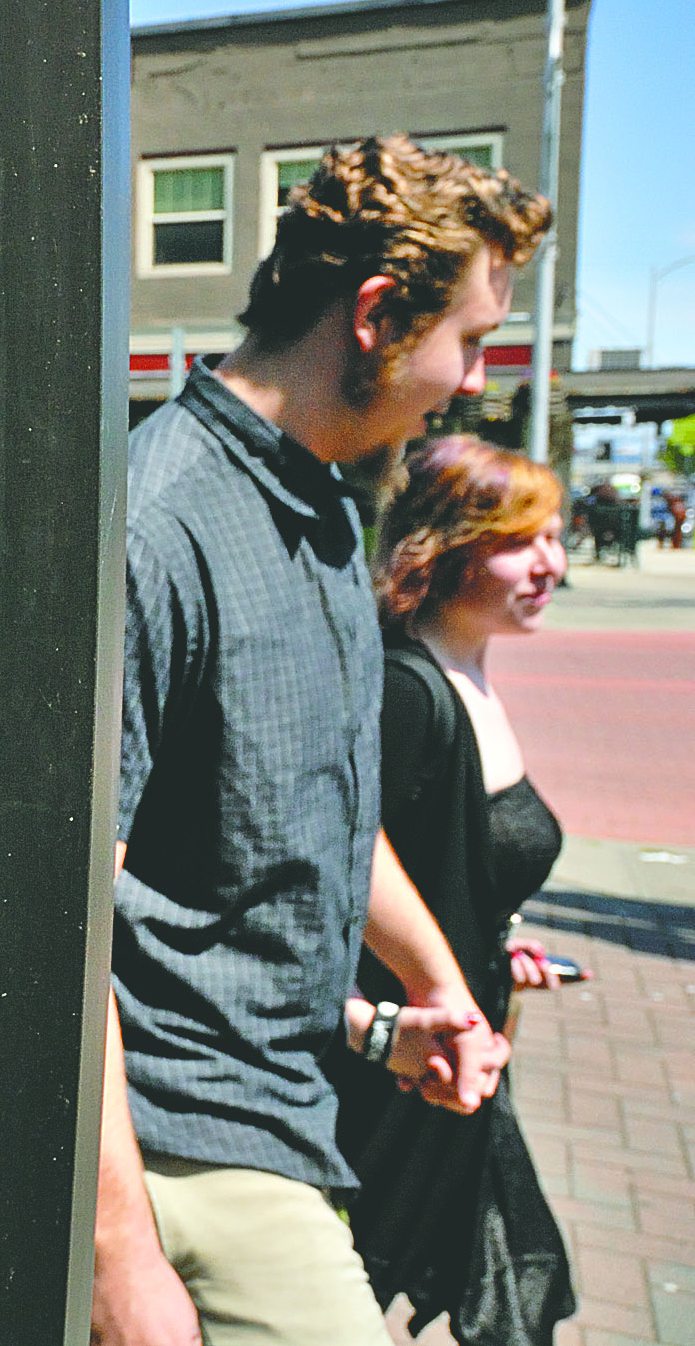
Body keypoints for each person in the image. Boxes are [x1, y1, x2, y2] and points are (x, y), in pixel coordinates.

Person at [95, 136, 551, 1346]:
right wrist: (117, 1251)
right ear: (373, 316)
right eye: (468, 340)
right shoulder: (160, 523)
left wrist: (427, 990)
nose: (469, 382)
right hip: (183, 1140)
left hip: (294, 1103)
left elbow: (314, 819)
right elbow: (63, 916)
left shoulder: (326, 505)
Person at [330, 435, 576, 1346]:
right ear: (448, 547)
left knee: (513, 1294)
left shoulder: (473, 676)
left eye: (557, 535)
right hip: (401, 1072)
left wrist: (497, 933)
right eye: (524, 540)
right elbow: (338, 866)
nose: (553, 562)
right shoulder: (411, 691)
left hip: (463, 1056)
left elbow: (450, 863)